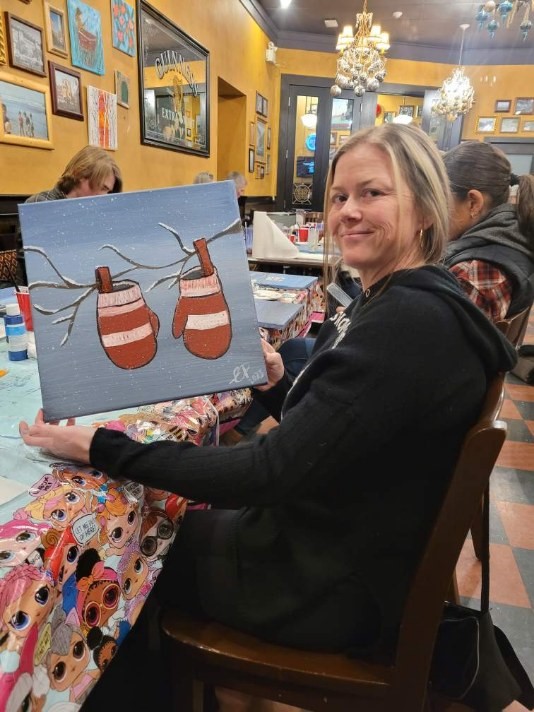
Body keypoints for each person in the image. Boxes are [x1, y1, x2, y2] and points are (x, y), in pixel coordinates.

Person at [19, 125, 516, 707]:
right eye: (339, 197)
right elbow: (350, 431)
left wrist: (100, 446)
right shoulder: (411, 302)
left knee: (118, 559)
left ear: (425, 209)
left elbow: (267, 471)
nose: (349, 212)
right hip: (351, 547)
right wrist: (282, 388)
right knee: (161, 519)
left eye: (372, 193)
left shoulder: (406, 324)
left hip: (328, 585)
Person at [443, 141, 534, 324]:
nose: (433, 212)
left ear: (473, 203)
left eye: (440, 200)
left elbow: (434, 345)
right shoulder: (515, 234)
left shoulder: (471, 275)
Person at [26, 145, 122, 203]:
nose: (105, 197)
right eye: (103, 188)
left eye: (108, 192)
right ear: (80, 174)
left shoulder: (95, 212)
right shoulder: (40, 204)